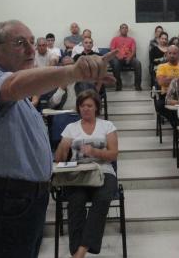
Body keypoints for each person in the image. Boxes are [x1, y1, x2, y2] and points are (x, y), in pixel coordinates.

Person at [0, 20, 116, 258]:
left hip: (23, 202)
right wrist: (73, 72)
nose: (32, 50)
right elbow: (12, 86)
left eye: (32, 42)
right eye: (20, 43)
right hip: (0, 203)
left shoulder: (18, 94)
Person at [54, 90, 119, 258]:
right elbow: (59, 160)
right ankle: (78, 251)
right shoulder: (70, 128)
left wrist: (95, 152)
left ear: (96, 107)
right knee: (76, 203)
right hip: (77, 173)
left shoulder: (107, 126)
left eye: (89, 105)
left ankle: (80, 252)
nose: (86, 109)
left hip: (103, 171)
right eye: (82, 106)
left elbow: (113, 155)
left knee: (103, 199)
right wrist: (63, 146)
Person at [109, 23, 142, 91]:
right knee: (115, 63)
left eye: (126, 28)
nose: (124, 29)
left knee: (138, 63)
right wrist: (118, 56)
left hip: (129, 58)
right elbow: (112, 50)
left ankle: (137, 85)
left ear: (127, 30)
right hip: (117, 59)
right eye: (123, 28)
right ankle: (118, 84)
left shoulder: (131, 39)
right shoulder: (115, 39)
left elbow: (134, 51)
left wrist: (130, 58)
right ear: (120, 30)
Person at [154, 45, 179, 114]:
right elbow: (161, 82)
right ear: (166, 54)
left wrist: (169, 78)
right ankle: (175, 123)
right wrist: (178, 79)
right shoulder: (161, 67)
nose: (172, 55)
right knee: (160, 106)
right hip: (166, 95)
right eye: (170, 53)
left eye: (174, 53)